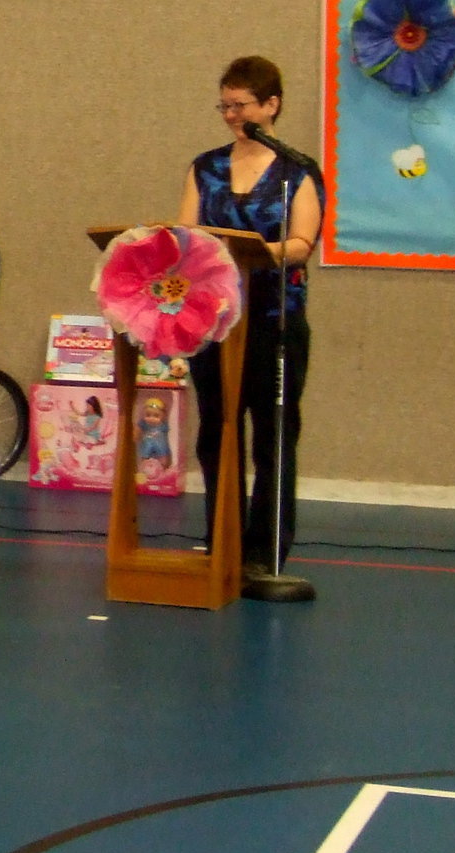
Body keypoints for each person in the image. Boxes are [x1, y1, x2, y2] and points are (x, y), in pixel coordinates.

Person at [177, 55, 324, 577]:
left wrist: (256, 251)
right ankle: (222, 538)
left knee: (273, 433)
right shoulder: (206, 167)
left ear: (271, 105)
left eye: (240, 105)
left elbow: (303, 242)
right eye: (225, 105)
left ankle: (266, 550)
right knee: (217, 430)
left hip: (273, 319)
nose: (231, 115)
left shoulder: (297, 172)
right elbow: (186, 235)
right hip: (215, 322)